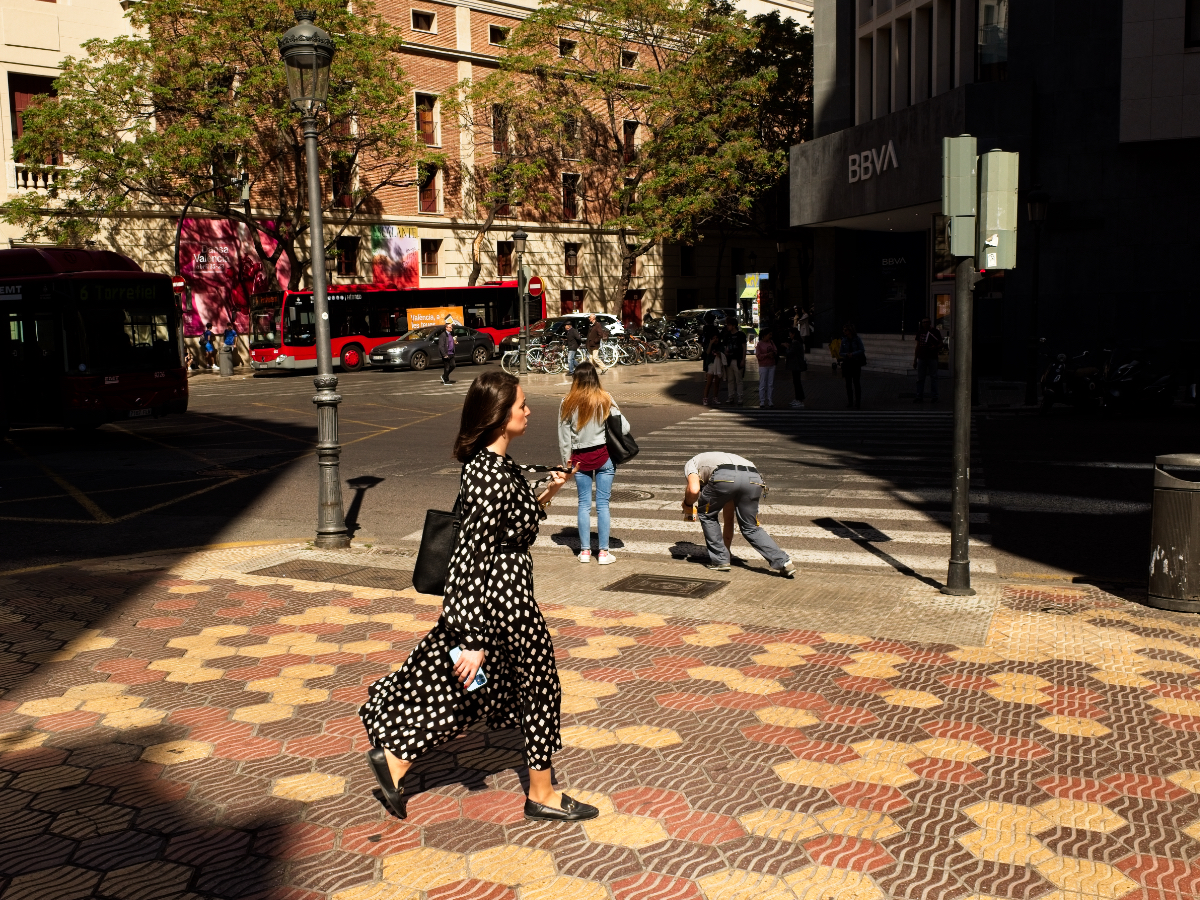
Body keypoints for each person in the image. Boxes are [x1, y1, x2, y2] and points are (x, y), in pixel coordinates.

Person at [359, 371, 598, 823]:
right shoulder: (488, 476)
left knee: (477, 693)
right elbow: (470, 556)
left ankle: (395, 761)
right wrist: (471, 636)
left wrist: (548, 491)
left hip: (501, 595)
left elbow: (510, 526)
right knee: (540, 688)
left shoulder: (496, 466)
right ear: (497, 416)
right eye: (521, 405)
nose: (528, 411)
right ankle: (543, 794)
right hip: (504, 600)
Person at [558, 362, 630, 565]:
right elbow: (625, 428)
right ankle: (604, 553)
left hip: (580, 460)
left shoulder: (567, 402)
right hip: (604, 456)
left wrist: (567, 464)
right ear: (595, 378)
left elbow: (564, 438)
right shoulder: (605, 398)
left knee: (583, 504)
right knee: (603, 505)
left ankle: (585, 552)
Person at [681, 452, 796, 577]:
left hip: (723, 477)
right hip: (753, 478)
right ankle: (784, 562)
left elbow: (693, 489)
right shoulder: (722, 460)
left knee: (707, 514)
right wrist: (727, 550)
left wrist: (687, 504)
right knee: (750, 527)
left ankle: (720, 561)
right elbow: (728, 518)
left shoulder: (691, 463)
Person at [913, 316, 943, 403]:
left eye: (927, 322)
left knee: (933, 377)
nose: (925, 323)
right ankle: (919, 396)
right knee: (920, 378)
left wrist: (935, 347)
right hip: (922, 357)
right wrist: (915, 359)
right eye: (924, 322)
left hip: (932, 357)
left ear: (930, 323)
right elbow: (918, 346)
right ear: (922, 324)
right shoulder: (920, 332)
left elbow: (941, 344)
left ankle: (934, 396)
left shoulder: (935, 332)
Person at [839, 323, 865, 409]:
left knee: (856, 383)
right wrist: (846, 355)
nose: (844, 332)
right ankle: (850, 401)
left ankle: (857, 401)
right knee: (848, 383)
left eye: (846, 330)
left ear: (850, 331)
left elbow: (862, 350)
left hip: (855, 363)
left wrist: (853, 354)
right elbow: (840, 352)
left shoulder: (856, 339)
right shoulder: (844, 340)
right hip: (847, 363)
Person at [721, 320, 747, 406]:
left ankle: (740, 397)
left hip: (738, 359)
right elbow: (725, 346)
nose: (727, 327)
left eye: (729, 325)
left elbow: (744, 348)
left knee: (738, 380)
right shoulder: (727, 335)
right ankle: (731, 396)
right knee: (731, 380)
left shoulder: (740, 335)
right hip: (729, 360)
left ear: (734, 325)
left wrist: (743, 359)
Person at [702, 318, 724, 406]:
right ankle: (705, 398)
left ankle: (715, 398)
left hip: (718, 364)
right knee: (709, 382)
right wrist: (710, 344)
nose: (716, 340)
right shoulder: (709, 345)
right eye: (714, 338)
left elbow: (723, 353)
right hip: (711, 364)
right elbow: (707, 352)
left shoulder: (720, 345)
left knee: (717, 383)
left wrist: (720, 354)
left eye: (717, 338)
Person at [755, 328, 778, 408]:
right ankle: (762, 401)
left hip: (771, 364)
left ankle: (770, 400)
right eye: (769, 335)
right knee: (763, 383)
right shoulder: (759, 344)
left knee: (770, 383)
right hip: (763, 365)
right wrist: (767, 355)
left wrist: (773, 354)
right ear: (764, 335)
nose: (770, 336)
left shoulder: (771, 342)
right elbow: (758, 355)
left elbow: (775, 350)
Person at [785, 327, 807, 409]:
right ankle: (798, 398)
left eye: (790, 333)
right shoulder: (797, 342)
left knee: (797, 382)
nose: (790, 335)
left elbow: (790, 353)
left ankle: (799, 399)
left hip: (796, 365)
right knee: (797, 382)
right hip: (797, 365)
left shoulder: (795, 343)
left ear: (793, 334)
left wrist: (787, 348)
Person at [438, 318, 457, 385]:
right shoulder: (443, 335)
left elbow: (451, 342)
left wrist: (455, 343)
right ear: (446, 328)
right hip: (446, 353)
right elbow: (441, 346)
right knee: (447, 367)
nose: (451, 328)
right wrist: (444, 354)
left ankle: (444, 376)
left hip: (451, 353)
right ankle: (446, 380)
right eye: (449, 327)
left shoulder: (451, 334)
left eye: (451, 327)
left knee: (453, 365)